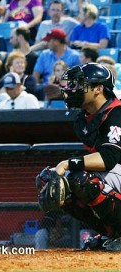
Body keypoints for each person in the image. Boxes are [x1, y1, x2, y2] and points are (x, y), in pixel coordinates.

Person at [36, 63, 121, 251]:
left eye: (80, 85)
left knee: (81, 179)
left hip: (116, 166)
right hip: (116, 175)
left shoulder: (116, 112)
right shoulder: (82, 120)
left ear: (98, 90)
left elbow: (109, 158)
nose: (72, 89)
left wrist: (66, 164)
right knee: (51, 180)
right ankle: (112, 234)